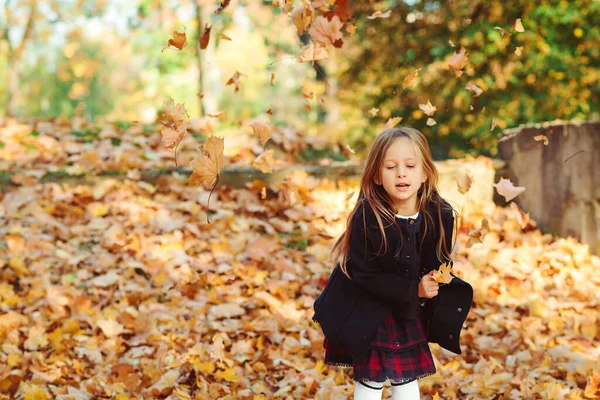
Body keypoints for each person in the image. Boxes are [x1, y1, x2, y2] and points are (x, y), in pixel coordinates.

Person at [312, 126, 458, 400]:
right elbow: (366, 275)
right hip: (368, 309)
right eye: (391, 166)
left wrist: (434, 280)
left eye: (410, 165)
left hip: (406, 311)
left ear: (425, 172)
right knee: (372, 379)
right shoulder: (368, 217)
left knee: (406, 376)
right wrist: (414, 288)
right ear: (378, 176)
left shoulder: (439, 214)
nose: (401, 173)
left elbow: (438, 261)